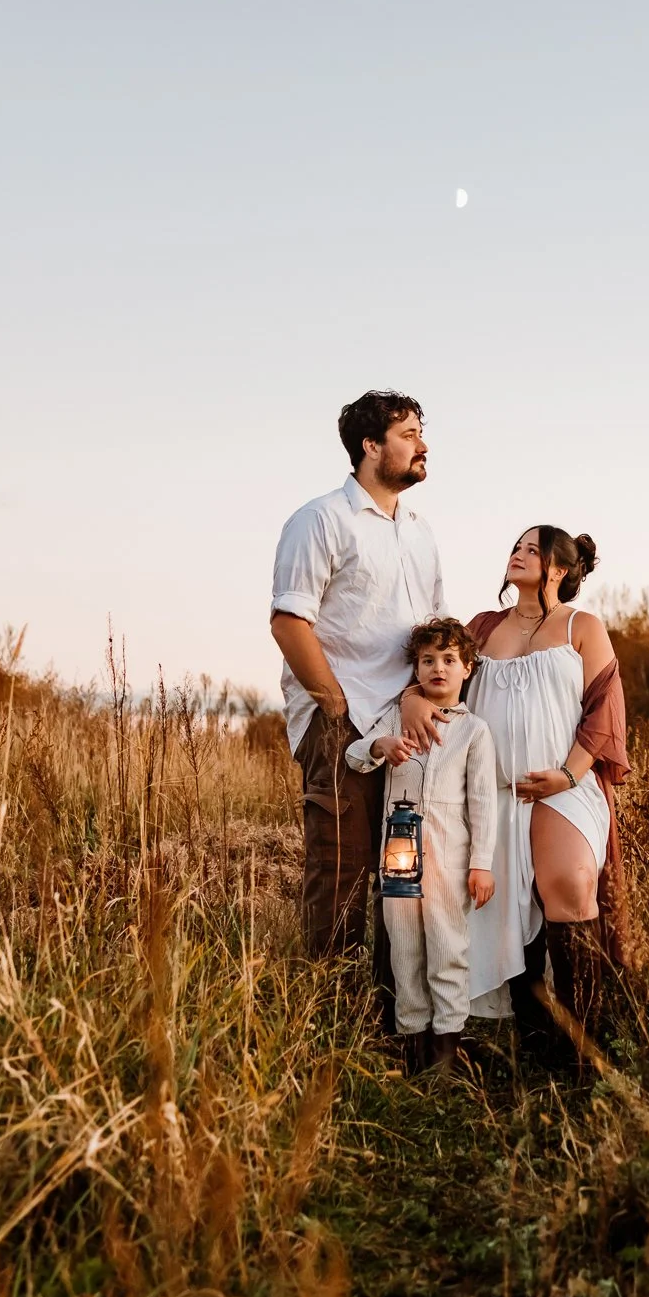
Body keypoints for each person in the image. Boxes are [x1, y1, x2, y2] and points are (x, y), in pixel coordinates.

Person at [406, 526, 633, 1064]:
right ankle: (535, 1039)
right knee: (505, 907)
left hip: (561, 786)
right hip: (493, 794)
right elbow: (434, 666)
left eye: (533, 549)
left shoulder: (582, 626)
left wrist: (569, 774)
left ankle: (583, 1048)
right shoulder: (482, 628)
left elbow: (604, 709)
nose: (518, 554)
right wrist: (414, 699)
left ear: (558, 568)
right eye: (516, 546)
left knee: (571, 886)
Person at [270, 392, 448, 986]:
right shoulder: (321, 520)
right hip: (340, 720)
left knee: (403, 874)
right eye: (409, 434)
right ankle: (332, 1016)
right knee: (340, 868)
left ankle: (396, 1013)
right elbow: (290, 621)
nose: (422, 445)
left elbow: (434, 631)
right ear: (371, 446)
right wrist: (335, 705)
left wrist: (421, 696)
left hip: (408, 726)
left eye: (422, 432)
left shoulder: (421, 534)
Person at [345, 619, 498, 1073]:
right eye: (428, 660)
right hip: (400, 856)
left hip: (450, 860)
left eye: (449, 660)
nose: (438, 668)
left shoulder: (475, 733)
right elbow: (355, 754)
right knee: (405, 950)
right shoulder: (398, 716)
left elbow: (484, 803)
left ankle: (445, 1058)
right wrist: (381, 746)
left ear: (467, 669)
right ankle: (412, 1052)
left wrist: (481, 864)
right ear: (415, 667)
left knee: (448, 950)